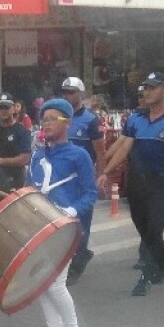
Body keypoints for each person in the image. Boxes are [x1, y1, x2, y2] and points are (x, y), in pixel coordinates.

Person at [0, 98, 93, 327]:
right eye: (45, 119)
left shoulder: (79, 155)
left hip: (65, 228)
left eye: (54, 118)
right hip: (40, 228)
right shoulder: (38, 156)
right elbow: (31, 192)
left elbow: (90, 193)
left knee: (55, 284)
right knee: (42, 286)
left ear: (67, 123)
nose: (47, 123)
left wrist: (72, 211)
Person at [103, 73, 164, 296]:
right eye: (145, 88)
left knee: (154, 228)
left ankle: (147, 276)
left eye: (152, 88)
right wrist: (107, 172)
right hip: (136, 182)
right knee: (144, 229)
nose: (147, 92)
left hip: (160, 182)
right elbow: (124, 148)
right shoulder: (135, 120)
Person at [58, 77, 106, 283]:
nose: (68, 96)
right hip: (61, 182)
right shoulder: (59, 119)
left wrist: (100, 176)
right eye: (65, 92)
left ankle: (78, 262)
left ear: (81, 94)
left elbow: (100, 152)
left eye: (71, 92)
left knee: (81, 224)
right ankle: (67, 261)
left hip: (82, 181)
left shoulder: (90, 120)